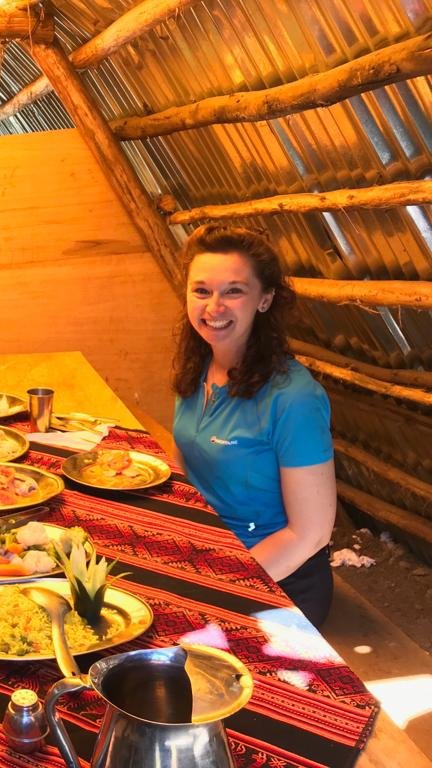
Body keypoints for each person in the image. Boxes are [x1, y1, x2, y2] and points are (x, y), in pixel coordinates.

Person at [171, 224, 337, 626]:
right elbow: (183, 473)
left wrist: (217, 586)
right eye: (202, 290)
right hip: (206, 558)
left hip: (276, 583)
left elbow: (310, 534)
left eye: (234, 290)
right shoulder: (198, 366)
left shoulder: (293, 398)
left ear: (264, 299)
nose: (214, 306)